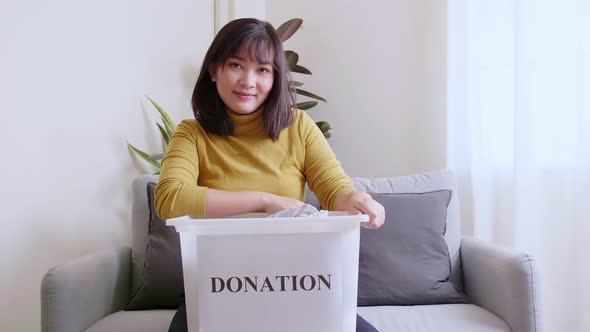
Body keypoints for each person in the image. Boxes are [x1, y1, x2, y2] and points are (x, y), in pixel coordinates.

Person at [155, 18, 385, 332]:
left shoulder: (299, 126)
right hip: (217, 284)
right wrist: (266, 201)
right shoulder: (191, 134)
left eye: (262, 70)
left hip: (298, 282)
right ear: (213, 70)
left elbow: (334, 188)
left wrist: (355, 199)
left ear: (275, 77)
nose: (248, 81)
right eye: (236, 65)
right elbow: (170, 199)